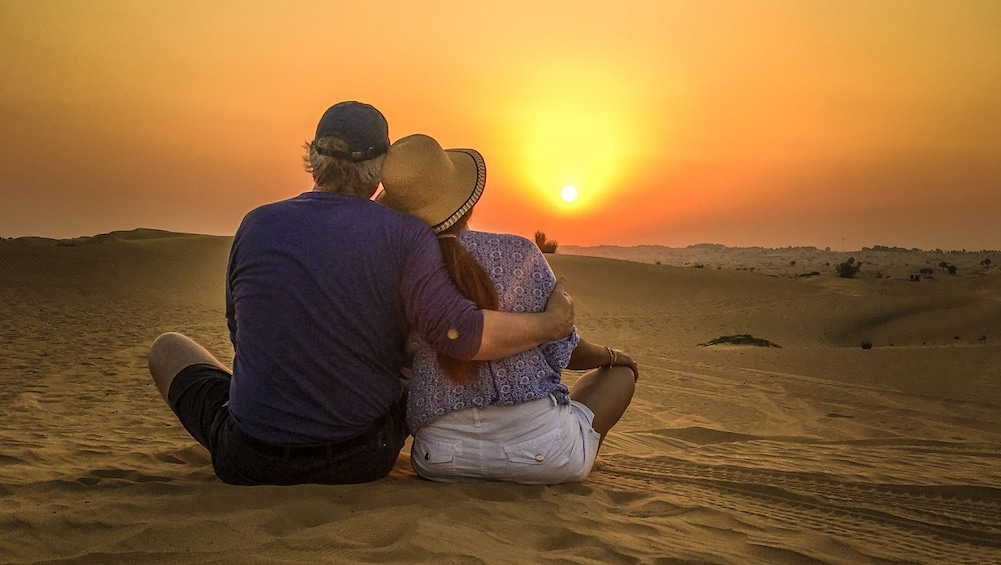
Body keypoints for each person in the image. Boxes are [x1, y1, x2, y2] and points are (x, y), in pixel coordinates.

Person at [147, 102, 575, 486]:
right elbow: (458, 334)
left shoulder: (255, 224)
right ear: (380, 168)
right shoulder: (405, 235)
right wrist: (551, 324)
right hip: (360, 459)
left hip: (250, 459)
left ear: (313, 157)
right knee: (411, 361)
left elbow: (239, 333)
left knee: (169, 348)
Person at [378, 134, 637, 484]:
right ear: (467, 203)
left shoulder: (394, 269)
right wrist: (614, 357)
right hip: (546, 455)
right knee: (620, 376)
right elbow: (566, 351)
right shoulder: (521, 254)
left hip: (439, 457)